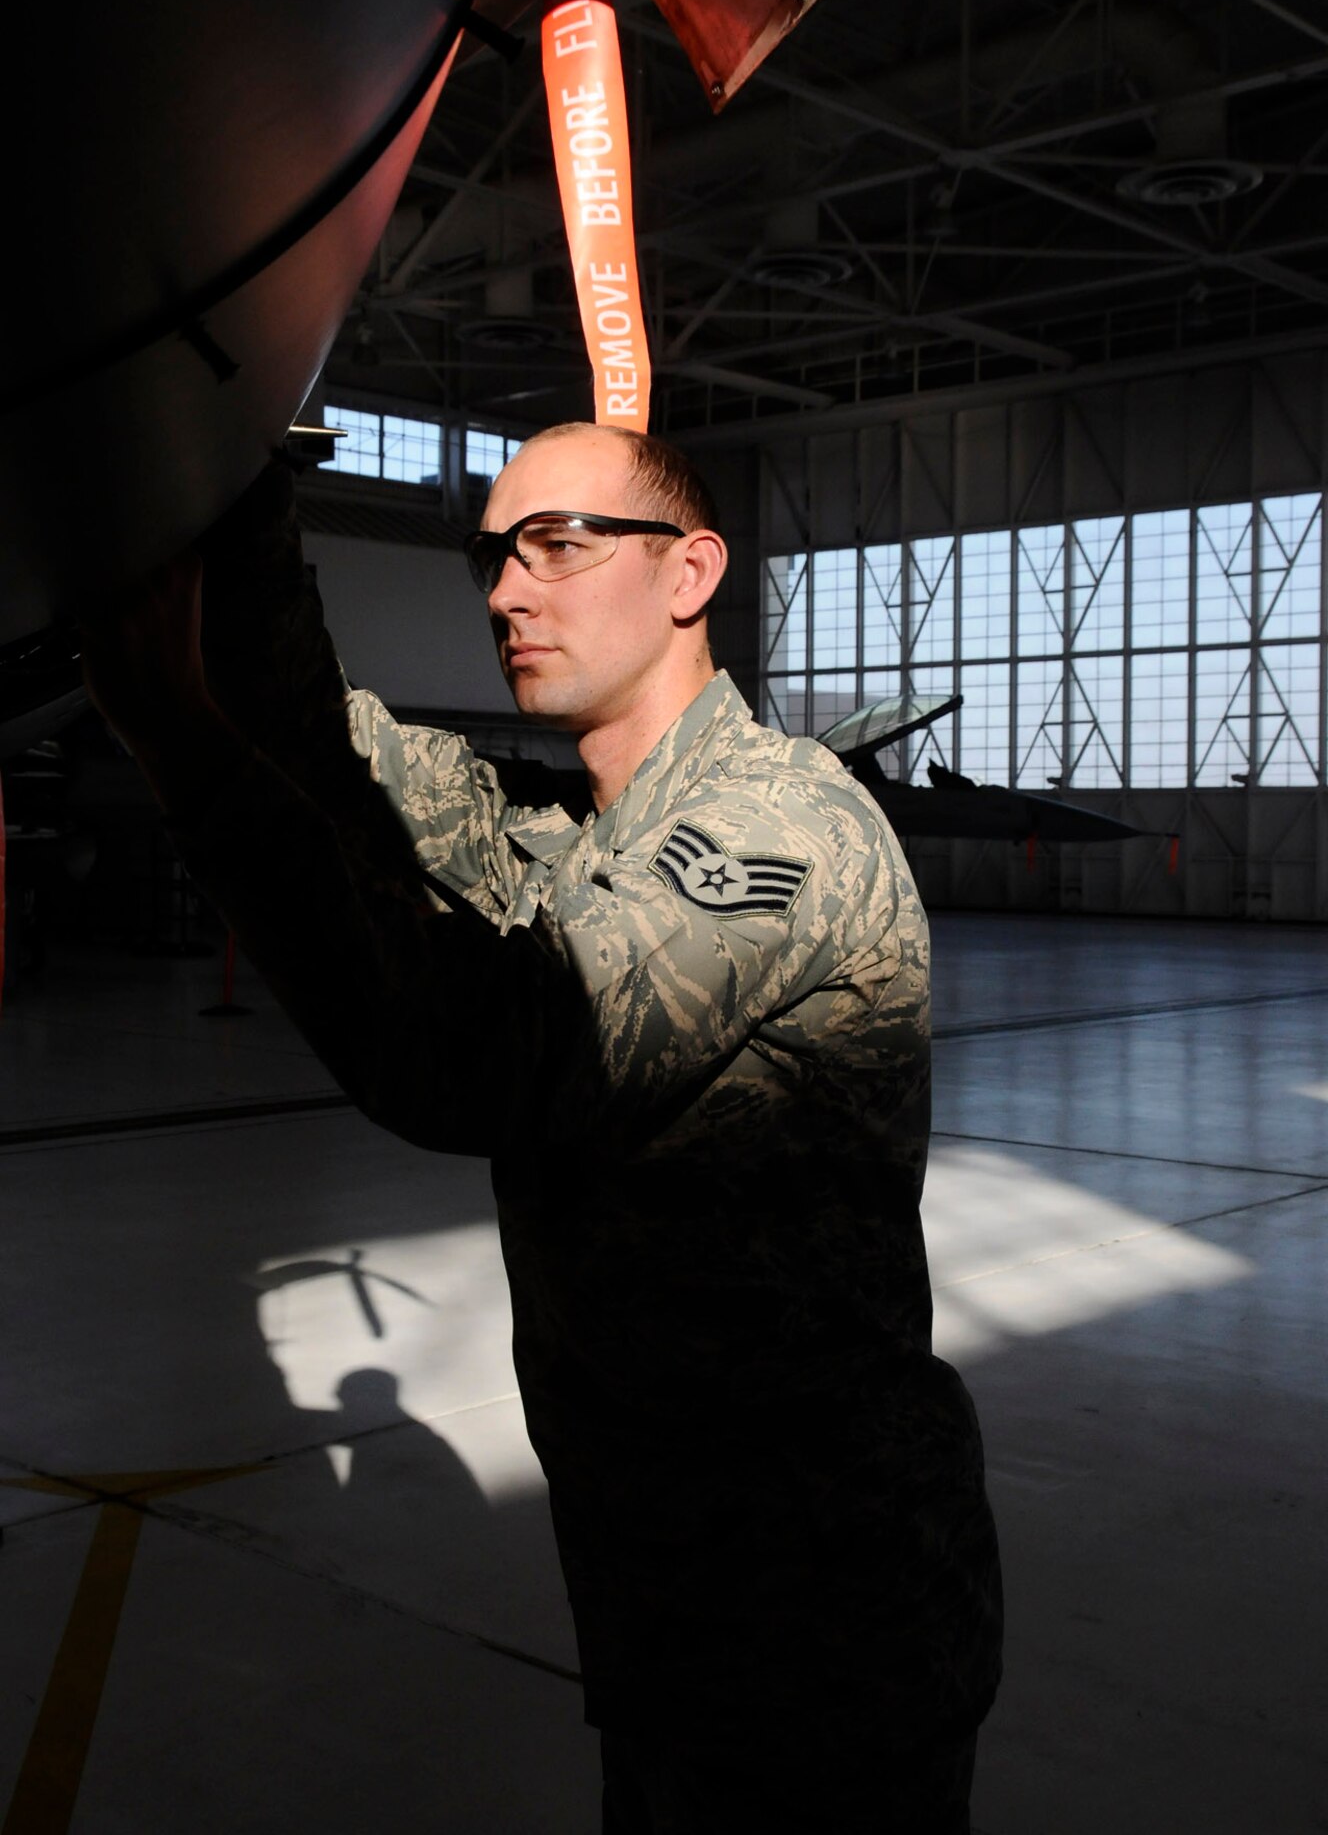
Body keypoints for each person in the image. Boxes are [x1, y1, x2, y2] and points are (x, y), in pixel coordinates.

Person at [81, 422, 1002, 1833]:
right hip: (676, 1613)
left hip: (820, 1638)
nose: (509, 591)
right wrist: (237, 477)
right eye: (494, 556)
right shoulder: (578, 836)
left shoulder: (778, 826)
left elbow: (488, 1056)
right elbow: (319, 747)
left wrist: (193, 767)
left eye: (559, 544)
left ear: (691, 571)